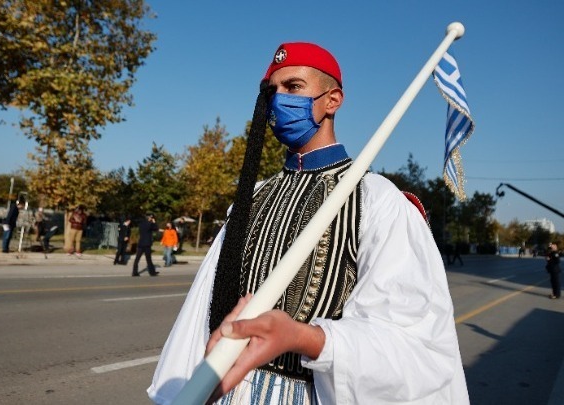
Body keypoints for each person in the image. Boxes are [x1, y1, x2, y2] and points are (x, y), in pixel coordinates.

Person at [149, 42, 468, 404]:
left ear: (332, 100)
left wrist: (306, 338)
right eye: (274, 91)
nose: (279, 99)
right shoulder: (251, 197)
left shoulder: (378, 201)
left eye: (294, 87)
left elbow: (412, 340)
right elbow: (201, 314)